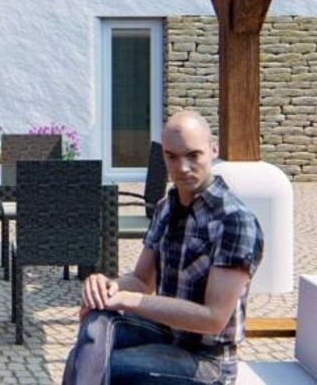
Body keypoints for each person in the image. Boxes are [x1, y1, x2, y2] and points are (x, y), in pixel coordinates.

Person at [62, 110, 264, 384]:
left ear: (213, 150)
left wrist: (126, 300)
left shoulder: (233, 221)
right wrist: (106, 288)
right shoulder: (166, 208)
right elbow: (141, 280)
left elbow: (213, 318)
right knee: (94, 326)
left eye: (193, 155)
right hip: (166, 334)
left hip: (207, 360)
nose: (182, 167)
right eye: (172, 157)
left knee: (102, 365)